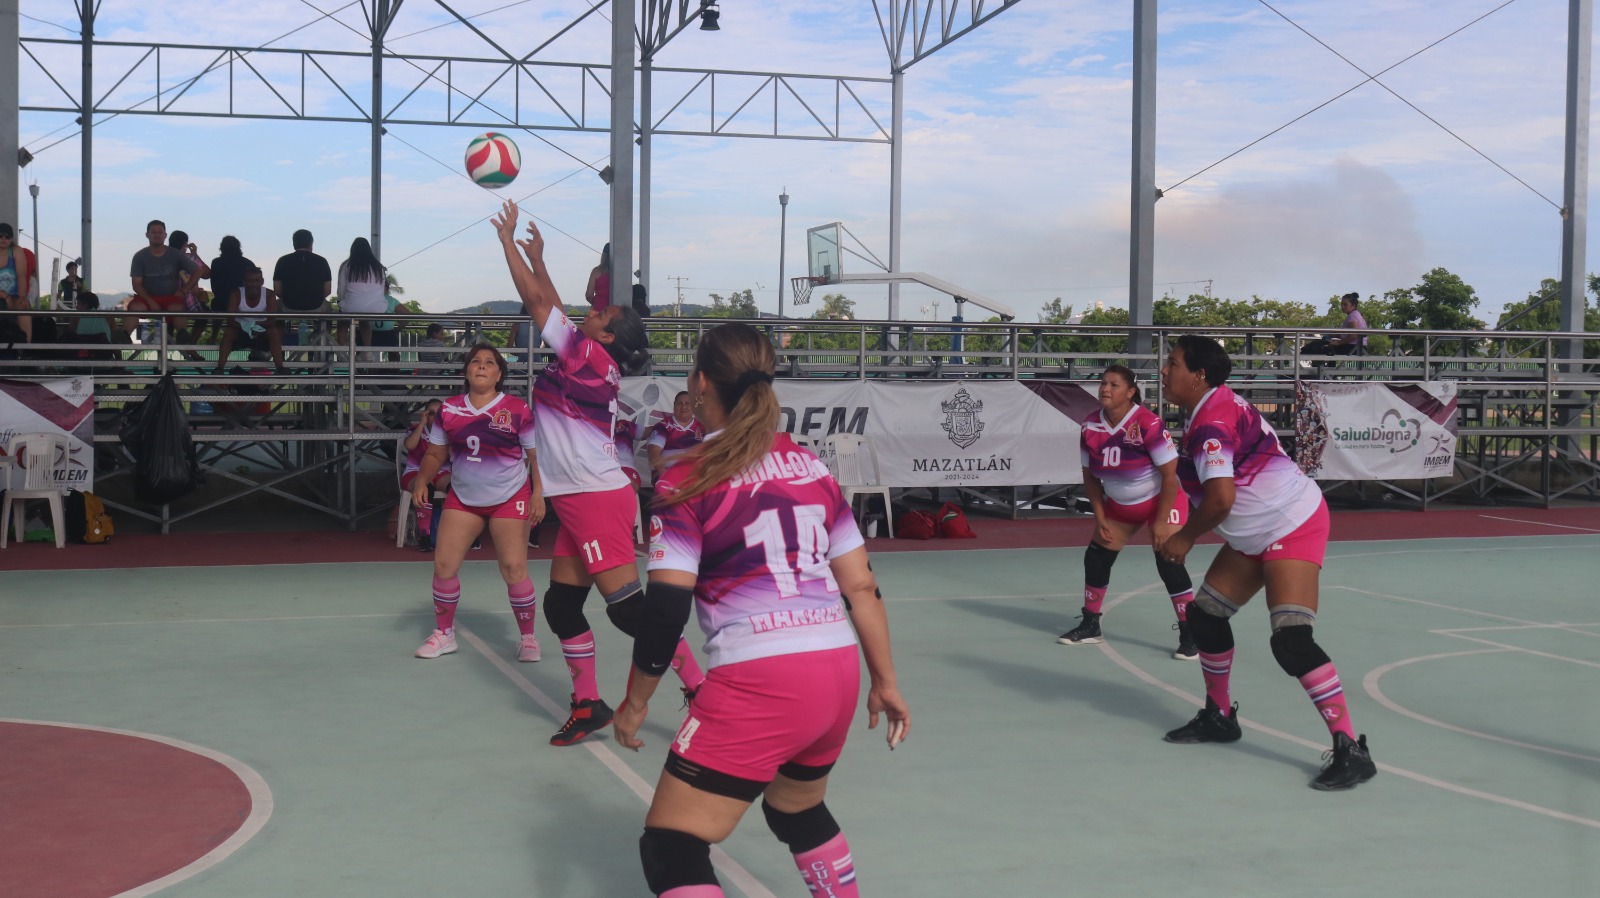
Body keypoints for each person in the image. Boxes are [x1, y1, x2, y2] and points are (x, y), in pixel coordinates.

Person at [611, 322, 911, 898]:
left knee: (671, 845)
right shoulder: (812, 469)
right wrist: (886, 681)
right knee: (795, 811)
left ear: (700, 382)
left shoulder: (686, 477)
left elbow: (666, 609)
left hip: (763, 675)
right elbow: (863, 589)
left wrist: (635, 702)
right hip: (837, 669)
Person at [492, 199, 704, 746]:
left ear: (608, 337)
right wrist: (537, 257)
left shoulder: (588, 356)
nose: (596, 308)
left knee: (631, 613)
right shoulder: (587, 354)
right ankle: (588, 704)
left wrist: (508, 244)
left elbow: (537, 304)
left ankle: (702, 692)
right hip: (577, 497)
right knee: (563, 606)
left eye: (604, 313)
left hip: (594, 497)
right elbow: (549, 303)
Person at [1156, 334, 1376, 791]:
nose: (1164, 370)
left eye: (1173, 363)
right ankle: (1219, 717)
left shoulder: (1213, 422)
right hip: (1254, 530)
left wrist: (1184, 538)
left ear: (1199, 375)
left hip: (1290, 522)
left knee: (1291, 640)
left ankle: (1351, 749)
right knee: (1205, 616)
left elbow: (1219, 500)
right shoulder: (1209, 407)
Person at [411, 343, 546, 662]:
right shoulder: (449, 409)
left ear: (499, 374)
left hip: (509, 497)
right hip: (465, 498)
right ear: (466, 371)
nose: (482, 366)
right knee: (443, 564)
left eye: (489, 362)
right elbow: (435, 453)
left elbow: (536, 455)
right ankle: (444, 634)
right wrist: (421, 480)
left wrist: (539, 492)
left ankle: (528, 638)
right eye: (475, 362)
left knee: (514, 567)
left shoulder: (517, 409)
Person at [1057, 364, 1197, 660]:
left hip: (1162, 502)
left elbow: (1171, 476)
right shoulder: (1090, 426)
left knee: (1168, 561)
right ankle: (1090, 624)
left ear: (1131, 392)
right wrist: (1100, 515)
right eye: (1103, 383)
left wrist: (1160, 522)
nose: (1105, 389)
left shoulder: (1148, 424)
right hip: (1120, 507)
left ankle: (1190, 634)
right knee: (1096, 556)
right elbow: (1090, 476)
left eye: (1114, 385)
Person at [125, 220, 200, 351]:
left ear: (165, 235)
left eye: (160, 232)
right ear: (147, 235)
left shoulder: (176, 254)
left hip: (171, 297)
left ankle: (182, 334)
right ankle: (124, 336)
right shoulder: (139, 256)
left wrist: (184, 290)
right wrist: (150, 300)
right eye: (153, 232)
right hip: (146, 298)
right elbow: (136, 284)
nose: (157, 235)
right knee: (135, 307)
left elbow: (198, 271)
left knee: (178, 308)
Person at [213, 267, 286, 375]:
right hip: (240, 330)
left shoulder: (269, 294)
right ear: (244, 282)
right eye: (250, 281)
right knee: (229, 332)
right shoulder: (236, 294)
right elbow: (230, 320)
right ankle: (219, 368)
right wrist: (247, 327)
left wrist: (257, 326)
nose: (253, 284)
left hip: (261, 330)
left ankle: (280, 368)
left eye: (257, 281)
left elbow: (272, 321)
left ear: (262, 281)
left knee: (274, 331)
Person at [401, 400, 452, 551]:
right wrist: (422, 423)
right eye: (431, 413)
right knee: (425, 487)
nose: (435, 417)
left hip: (441, 472)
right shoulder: (415, 429)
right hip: (415, 472)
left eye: (439, 414)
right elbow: (409, 445)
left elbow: (454, 456)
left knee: (457, 486)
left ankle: (463, 534)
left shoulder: (449, 431)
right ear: (425, 415)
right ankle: (425, 536)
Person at [272, 228, 333, 335]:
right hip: (317, 306)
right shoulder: (322, 261)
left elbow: (277, 291)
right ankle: (321, 344)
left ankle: (278, 343)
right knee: (329, 309)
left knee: (274, 307)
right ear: (311, 243)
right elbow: (327, 291)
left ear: (294, 244)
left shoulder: (282, 261)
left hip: (288, 306)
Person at [336, 237, 388, 348]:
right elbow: (382, 290)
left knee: (343, 319)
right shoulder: (378, 267)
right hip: (377, 308)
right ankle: (367, 350)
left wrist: (341, 302)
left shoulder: (347, 265)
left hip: (352, 307)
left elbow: (341, 289)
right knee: (365, 320)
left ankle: (340, 348)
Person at [207, 236, 255, 344]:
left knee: (217, 304)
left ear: (221, 248)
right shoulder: (247, 263)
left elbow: (214, 286)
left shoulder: (216, 262)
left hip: (221, 301)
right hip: (243, 302)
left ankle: (214, 336)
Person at [646, 390, 705, 475]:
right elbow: (653, 452)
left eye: (687, 403)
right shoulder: (663, 426)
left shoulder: (703, 426)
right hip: (668, 472)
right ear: (674, 407)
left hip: (696, 474)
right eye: (679, 403)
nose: (683, 407)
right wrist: (663, 474)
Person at [0, 223, 34, 344]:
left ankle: (26, 347)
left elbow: (21, 275)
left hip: (14, 295)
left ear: (11, 239)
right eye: (0, 235)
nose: (3, 239)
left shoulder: (16, 251)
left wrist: (21, 297)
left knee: (23, 309)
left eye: (7, 236)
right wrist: (5, 296)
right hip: (4, 295)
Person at [1303, 292, 1367, 357]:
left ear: (1353, 306)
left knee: (1321, 347)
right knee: (1327, 345)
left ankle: (1319, 365)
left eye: (1345, 305)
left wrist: (1338, 342)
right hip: (1358, 347)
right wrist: (1331, 335)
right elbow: (1347, 334)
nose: (1342, 307)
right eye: (1341, 304)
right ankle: (1326, 366)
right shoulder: (1356, 314)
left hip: (1354, 348)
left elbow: (1354, 334)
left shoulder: (1352, 316)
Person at [585, 242, 612, 310]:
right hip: (616, 313)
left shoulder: (596, 271)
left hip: (599, 310)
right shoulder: (621, 274)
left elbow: (589, 295)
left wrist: (596, 302)